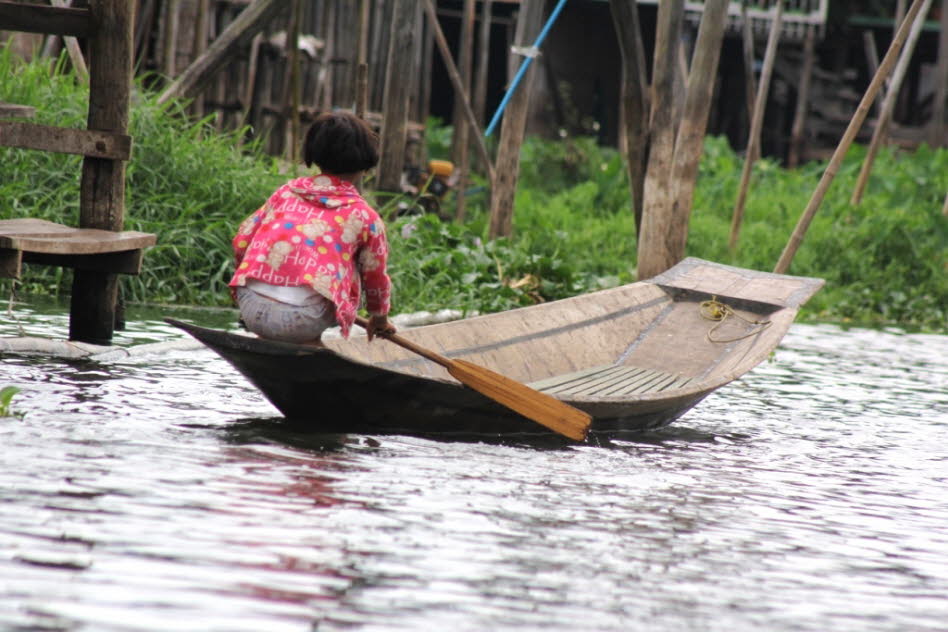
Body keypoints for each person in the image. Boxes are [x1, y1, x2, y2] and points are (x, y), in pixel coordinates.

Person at [229, 111, 396, 345]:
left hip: (250, 303)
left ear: (314, 154)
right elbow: (375, 277)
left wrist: (258, 281)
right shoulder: (365, 216)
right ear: (365, 163)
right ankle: (311, 344)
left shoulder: (285, 193)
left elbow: (242, 241)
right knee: (348, 281)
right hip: (304, 317)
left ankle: (268, 338)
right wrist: (379, 318)